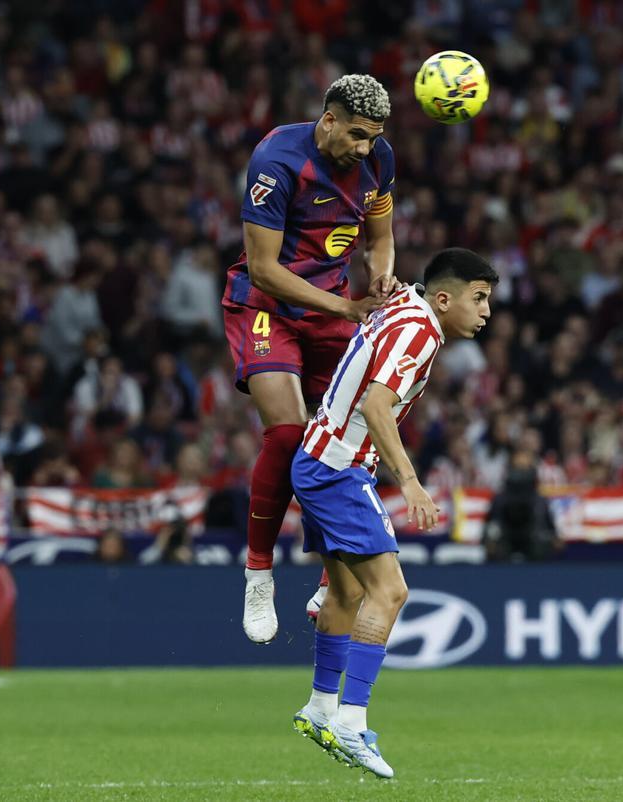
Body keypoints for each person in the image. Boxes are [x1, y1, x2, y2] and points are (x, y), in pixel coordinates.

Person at [289, 248, 496, 779]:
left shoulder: (407, 305)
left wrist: (387, 278)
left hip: (317, 459)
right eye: (479, 298)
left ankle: (320, 707)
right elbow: (376, 406)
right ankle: (353, 723)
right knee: (392, 591)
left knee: (347, 593)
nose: (486, 311)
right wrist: (410, 483)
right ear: (444, 298)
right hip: (339, 469)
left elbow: (390, 279)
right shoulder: (420, 333)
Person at [225, 74, 400, 643]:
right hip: (268, 307)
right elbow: (264, 268)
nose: (364, 148)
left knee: (354, 434)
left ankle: (332, 574)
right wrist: (346, 309)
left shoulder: (379, 161)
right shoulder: (276, 161)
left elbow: (379, 239)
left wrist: (380, 275)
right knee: (287, 434)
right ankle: (258, 573)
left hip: (333, 309)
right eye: (355, 134)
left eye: (373, 137)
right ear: (328, 119)